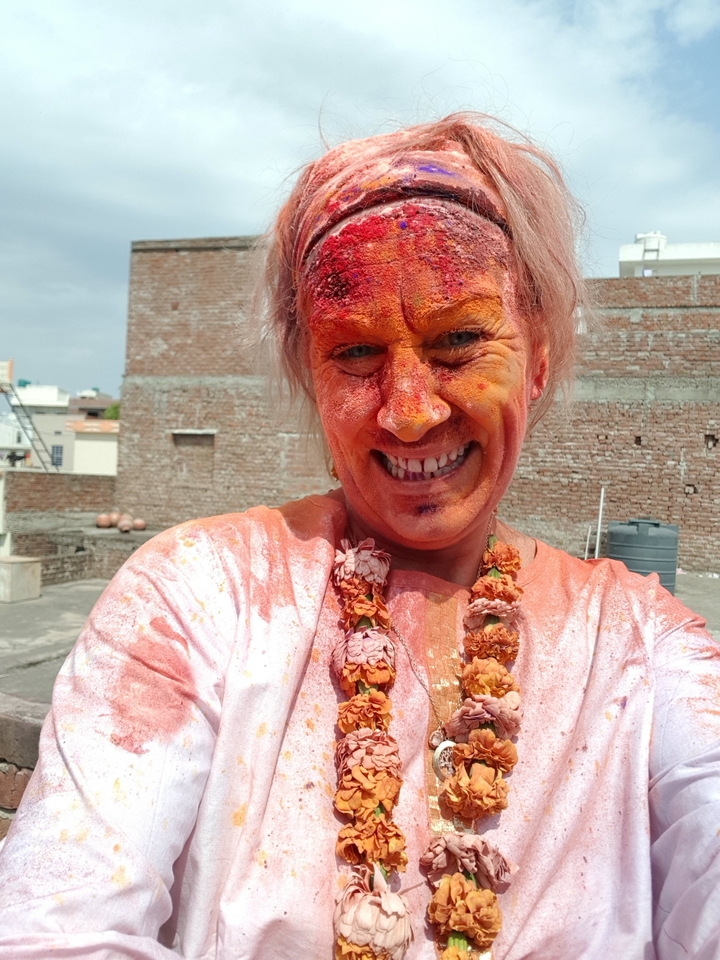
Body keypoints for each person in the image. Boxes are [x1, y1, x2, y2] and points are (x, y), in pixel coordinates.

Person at [0, 113, 719, 960]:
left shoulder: (642, 645)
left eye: (458, 340)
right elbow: (56, 925)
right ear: (309, 370)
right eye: (355, 354)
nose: (410, 409)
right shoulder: (200, 594)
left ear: (538, 359)